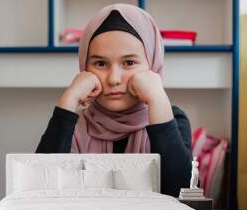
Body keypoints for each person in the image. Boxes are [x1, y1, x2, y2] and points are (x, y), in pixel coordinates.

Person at [35, 4, 192, 198]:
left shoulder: (172, 119)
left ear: (152, 64)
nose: (114, 79)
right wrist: (68, 100)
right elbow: (38, 191)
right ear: (84, 67)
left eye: (129, 63)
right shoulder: (73, 126)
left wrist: (158, 99)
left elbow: (181, 194)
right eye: (100, 63)